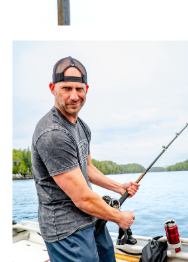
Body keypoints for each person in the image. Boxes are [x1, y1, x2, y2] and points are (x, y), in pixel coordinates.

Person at [30, 57, 139, 262]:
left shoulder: (82, 127)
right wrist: (119, 217)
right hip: (65, 229)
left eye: (79, 89)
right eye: (66, 88)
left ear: (86, 89)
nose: (74, 96)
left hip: (90, 217)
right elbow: (82, 199)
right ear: (53, 88)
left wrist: (119, 187)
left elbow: (86, 167)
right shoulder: (53, 133)